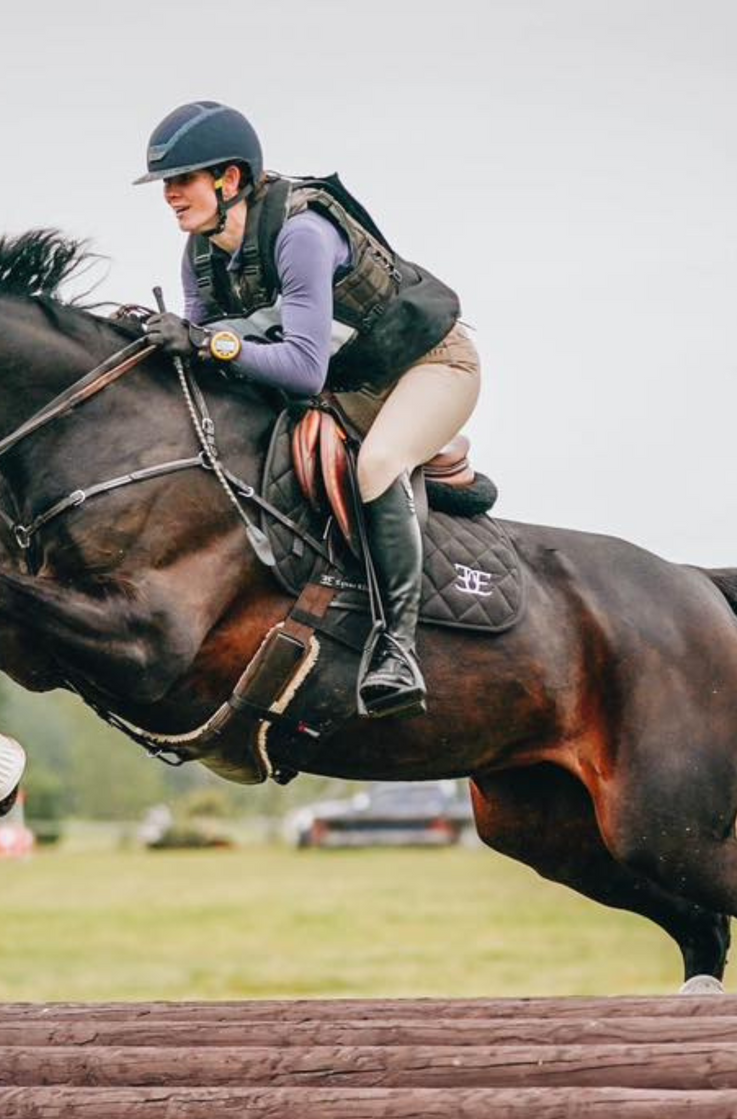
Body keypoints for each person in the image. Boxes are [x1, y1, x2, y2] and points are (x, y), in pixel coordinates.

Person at [137, 101, 480, 719]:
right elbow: (208, 357)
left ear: (230, 180)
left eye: (182, 181)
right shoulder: (202, 253)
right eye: (166, 184)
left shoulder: (301, 233)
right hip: (349, 385)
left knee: (377, 463)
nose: (171, 197)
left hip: (431, 367)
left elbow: (300, 366)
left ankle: (397, 648)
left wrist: (208, 342)